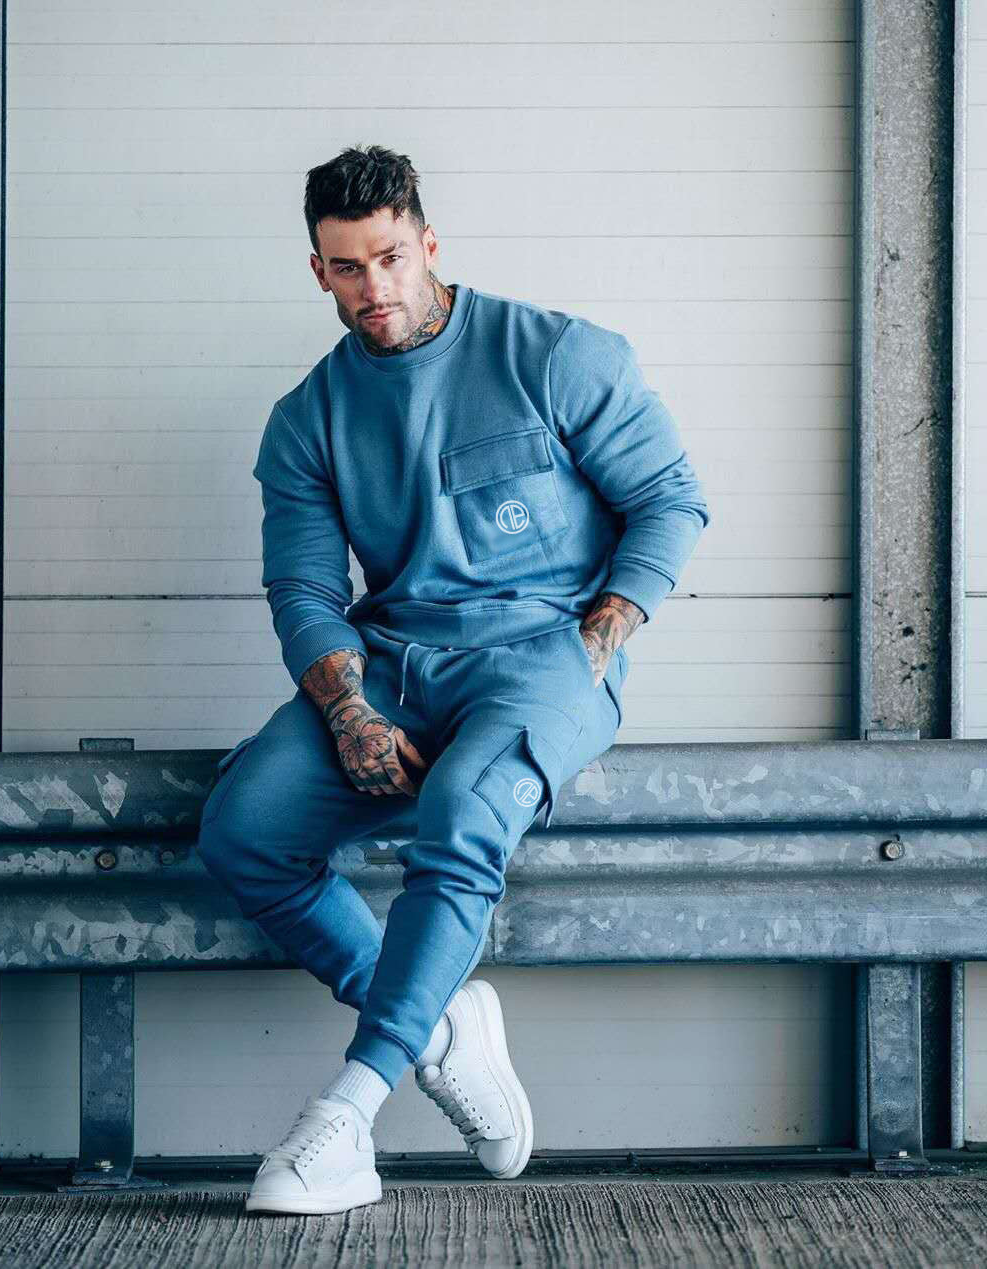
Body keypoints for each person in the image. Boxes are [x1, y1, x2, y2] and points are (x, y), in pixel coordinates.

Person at [195, 143, 710, 1216]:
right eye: (348, 268)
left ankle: (350, 1112)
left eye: (390, 257)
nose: (374, 287)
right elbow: (304, 590)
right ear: (319, 272)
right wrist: (348, 711)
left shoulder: (555, 355)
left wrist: (594, 646)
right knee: (245, 827)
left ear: (429, 244)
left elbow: (669, 500)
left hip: (541, 657)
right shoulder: (306, 419)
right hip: (393, 664)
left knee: (465, 807)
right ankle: (436, 1026)